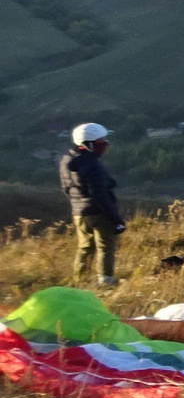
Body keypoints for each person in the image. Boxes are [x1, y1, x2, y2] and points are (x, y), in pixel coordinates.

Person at [59, 123, 122, 288]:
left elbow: (66, 187)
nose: (104, 144)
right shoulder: (93, 166)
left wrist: (77, 205)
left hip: (79, 212)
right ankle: (105, 282)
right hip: (99, 213)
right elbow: (100, 195)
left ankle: (80, 281)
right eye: (101, 142)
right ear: (89, 144)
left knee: (85, 247)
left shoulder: (67, 160)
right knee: (105, 246)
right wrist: (116, 220)